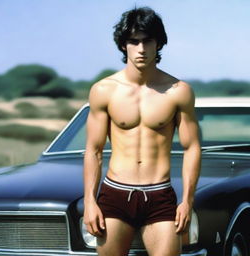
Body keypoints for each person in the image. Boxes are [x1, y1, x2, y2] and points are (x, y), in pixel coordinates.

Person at [83, 6, 201, 256]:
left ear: (158, 43)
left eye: (147, 41)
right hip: (115, 194)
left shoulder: (178, 91)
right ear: (123, 45)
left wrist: (187, 201)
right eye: (133, 41)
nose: (141, 49)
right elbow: (93, 150)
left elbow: (192, 148)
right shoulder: (104, 90)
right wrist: (90, 201)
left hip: (159, 196)